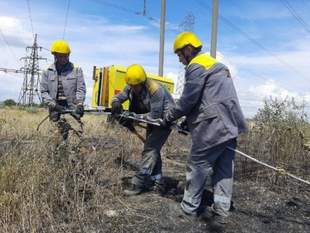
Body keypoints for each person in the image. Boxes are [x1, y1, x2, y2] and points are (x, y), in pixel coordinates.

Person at [163, 32, 247, 229]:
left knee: (197, 166)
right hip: (230, 125)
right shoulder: (218, 65)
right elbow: (209, 99)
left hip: (212, 128)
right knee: (224, 171)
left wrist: (169, 117)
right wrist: (188, 121)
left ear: (188, 49)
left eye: (179, 55)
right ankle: (221, 213)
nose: (180, 60)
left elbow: (187, 101)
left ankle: (188, 209)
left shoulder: (196, 65)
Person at [111, 64, 175, 195]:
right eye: (131, 86)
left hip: (164, 121)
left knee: (150, 149)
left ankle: (140, 181)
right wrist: (115, 102)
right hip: (151, 121)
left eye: (136, 86)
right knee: (153, 149)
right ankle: (157, 181)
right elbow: (120, 96)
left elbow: (154, 116)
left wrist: (132, 117)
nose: (133, 88)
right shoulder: (131, 84)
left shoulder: (156, 90)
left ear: (143, 81)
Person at [40, 40, 86, 140]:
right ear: (55, 55)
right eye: (61, 56)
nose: (64, 58)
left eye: (66, 55)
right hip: (55, 108)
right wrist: (54, 105)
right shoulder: (46, 71)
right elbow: (43, 92)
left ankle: (74, 154)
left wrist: (79, 104)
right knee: (55, 137)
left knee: (75, 136)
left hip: (72, 108)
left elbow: (81, 89)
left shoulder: (76, 69)